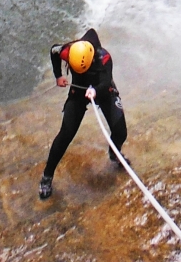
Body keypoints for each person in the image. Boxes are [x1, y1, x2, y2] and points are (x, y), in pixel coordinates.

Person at [39, 28, 127, 200]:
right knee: (65, 134)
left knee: (120, 131)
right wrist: (58, 76)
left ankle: (114, 153)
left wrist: (96, 91)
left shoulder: (104, 58)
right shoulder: (68, 51)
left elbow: (106, 80)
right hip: (79, 92)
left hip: (103, 89)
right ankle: (46, 177)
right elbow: (53, 51)